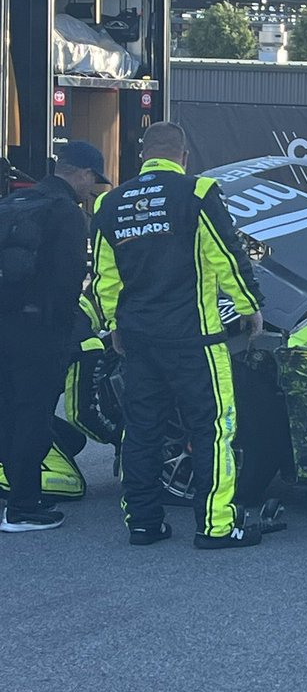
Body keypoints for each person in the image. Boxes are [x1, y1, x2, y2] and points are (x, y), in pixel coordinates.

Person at [92, 122, 266, 548]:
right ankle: (216, 527)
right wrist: (250, 306)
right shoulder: (198, 193)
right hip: (195, 340)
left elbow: (104, 279)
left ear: (143, 156)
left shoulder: (109, 203)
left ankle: (144, 524)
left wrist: (115, 324)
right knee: (214, 428)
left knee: (141, 430)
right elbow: (226, 254)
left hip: (139, 340)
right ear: (183, 156)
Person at [0, 140, 107, 532]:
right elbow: (66, 285)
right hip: (39, 332)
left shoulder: (13, 202)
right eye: (92, 181)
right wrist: (67, 335)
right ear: (81, 172)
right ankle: (23, 509)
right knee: (34, 415)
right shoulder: (66, 213)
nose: (91, 189)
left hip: (3, 325)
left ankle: (17, 494)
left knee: (8, 412)